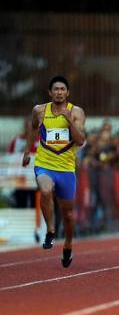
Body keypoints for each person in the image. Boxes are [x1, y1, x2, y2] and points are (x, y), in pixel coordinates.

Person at [22, 76, 86, 268]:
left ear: (68, 93)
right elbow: (33, 130)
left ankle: (67, 244)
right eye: (55, 89)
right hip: (44, 163)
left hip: (66, 168)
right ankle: (50, 229)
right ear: (50, 92)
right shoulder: (39, 110)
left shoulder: (76, 112)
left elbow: (81, 140)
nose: (59, 92)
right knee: (46, 190)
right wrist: (27, 151)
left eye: (62, 89)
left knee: (67, 214)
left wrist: (69, 121)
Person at [9, 117, 40, 208]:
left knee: (35, 205)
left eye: (32, 127)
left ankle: (36, 221)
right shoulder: (17, 140)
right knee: (20, 204)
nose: (29, 129)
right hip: (20, 179)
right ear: (25, 127)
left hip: (36, 179)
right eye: (27, 126)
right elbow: (10, 157)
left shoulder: (41, 140)